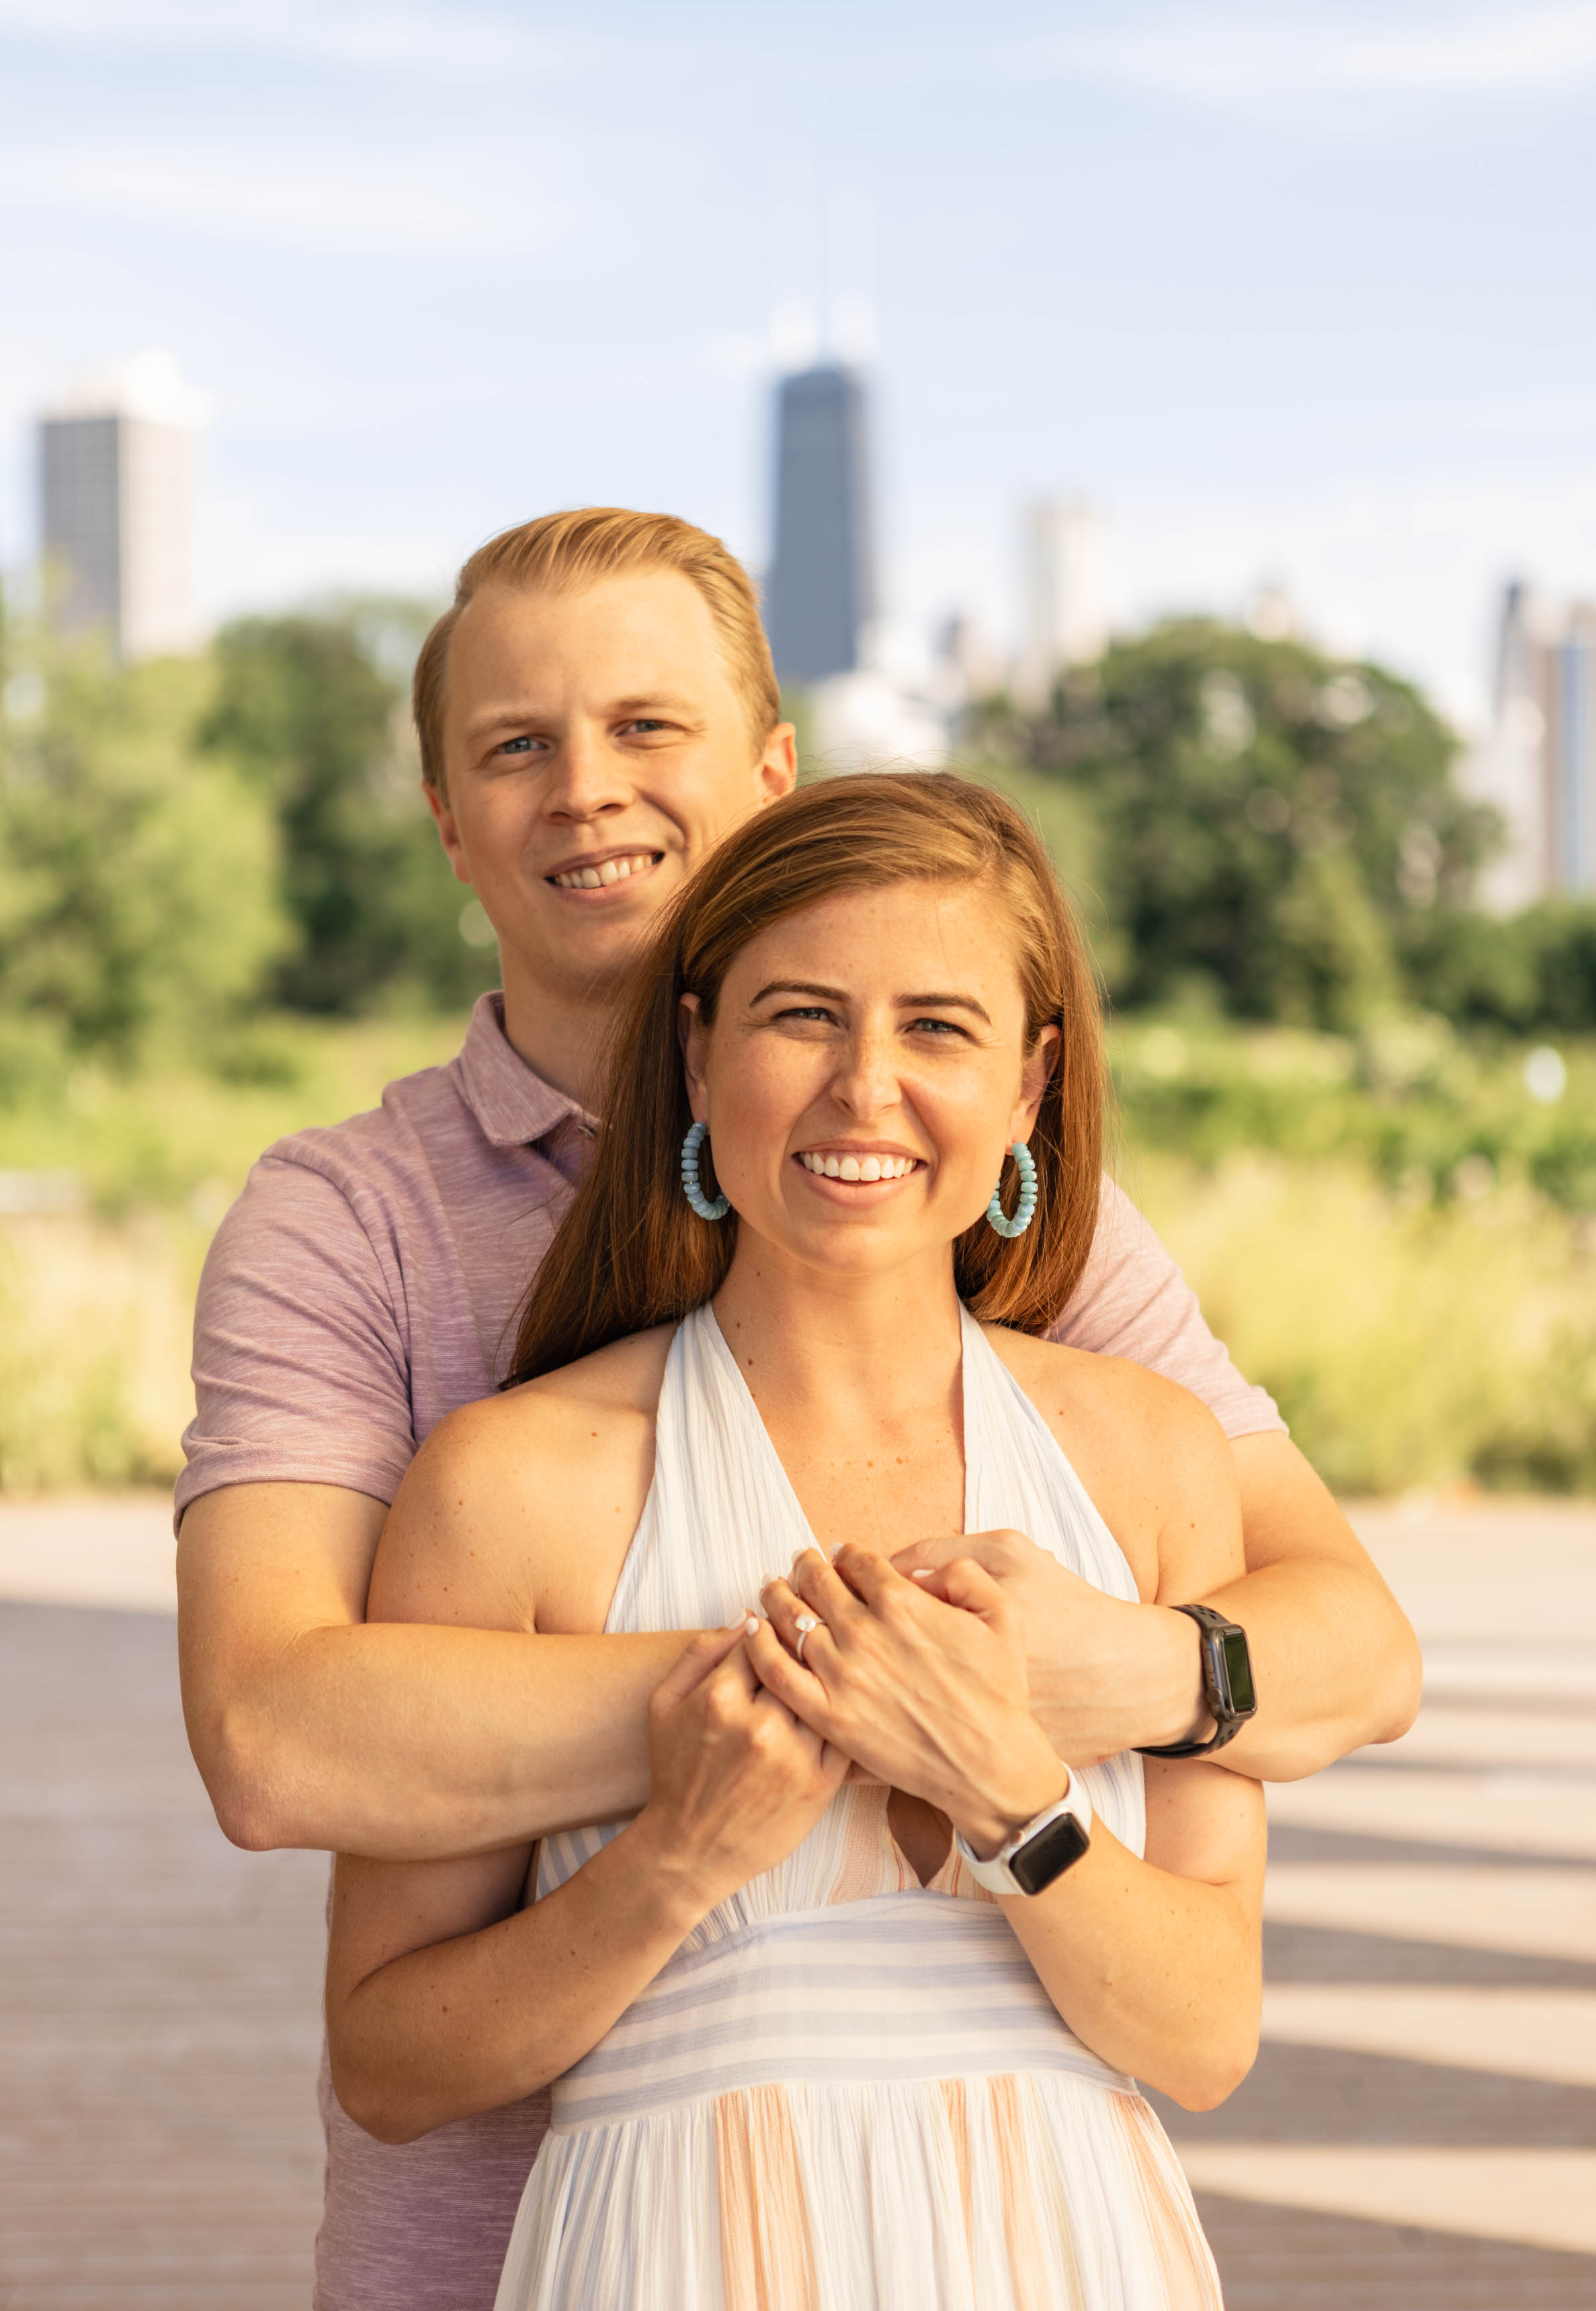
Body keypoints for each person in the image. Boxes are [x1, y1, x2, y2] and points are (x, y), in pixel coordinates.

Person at [173, 508, 1418, 2311]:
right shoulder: (350, 1232)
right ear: (446, 819)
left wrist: (1109, 1688)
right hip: (519, 2242)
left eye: (647, 727)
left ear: (771, 772)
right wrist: (836, 1692)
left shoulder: (1035, 1238)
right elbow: (279, 1738)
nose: (587, 790)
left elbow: (1351, 1653)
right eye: (517, 745)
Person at [325, 772, 1265, 2309]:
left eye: (938, 1029)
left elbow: (1206, 2037)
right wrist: (673, 1862)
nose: (865, 1089)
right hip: (671, 2256)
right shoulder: (516, 1484)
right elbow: (386, 2066)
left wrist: (1009, 1792)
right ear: (698, 1055)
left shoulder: (1151, 1459)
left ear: (1031, 1088)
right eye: (802, 1018)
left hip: (1083, 2256)